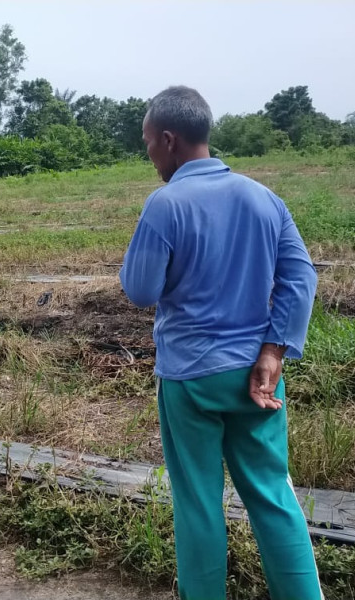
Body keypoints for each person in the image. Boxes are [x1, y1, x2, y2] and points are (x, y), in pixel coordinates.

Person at [120, 86, 322, 600]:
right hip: (256, 376)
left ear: (168, 139)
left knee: (198, 504)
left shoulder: (165, 205)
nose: (150, 158)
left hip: (189, 380)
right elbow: (301, 278)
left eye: (148, 145)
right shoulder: (264, 198)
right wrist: (274, 349)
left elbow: (140, 291)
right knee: (273, 496)